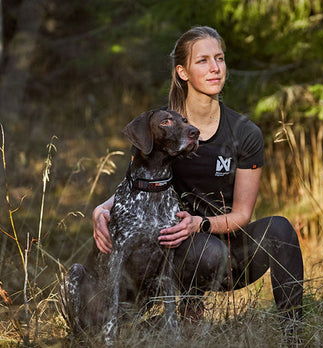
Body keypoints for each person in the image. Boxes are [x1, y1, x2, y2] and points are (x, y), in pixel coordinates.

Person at [93, 26, 303, 336]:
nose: (215, 68)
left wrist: (200, 223)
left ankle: (296, 334)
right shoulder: (162, 127)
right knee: (203, 250)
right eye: (202, 60)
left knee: (282, 229)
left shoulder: (245, 132)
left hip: (227, 250)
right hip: (177, 252)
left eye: (219, 58)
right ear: (183, 72)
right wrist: (102, 208)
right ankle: (182, 315)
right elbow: (137, 186)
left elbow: (243, 215)